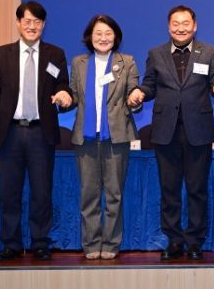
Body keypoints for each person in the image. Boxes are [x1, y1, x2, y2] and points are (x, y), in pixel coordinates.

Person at [127, 5, 214, 260]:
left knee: (197, 189)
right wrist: (139, 93)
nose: (181, 28)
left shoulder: (209, 52)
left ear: (195, 26)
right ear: (168, 26)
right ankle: (173, 239)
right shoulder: (156, 54)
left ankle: (194, 241)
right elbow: (150, 84)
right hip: (166, 130)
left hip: (198, 130)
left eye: (186, 23)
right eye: (176, 24)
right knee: (169, 189)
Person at [0, 1, 72, 261]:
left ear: (43, 25)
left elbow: (63, 85)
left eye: (38, 22)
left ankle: (40, 243)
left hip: (41, 133)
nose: (32, 26)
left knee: (41, 192)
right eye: (28, 21)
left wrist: (64, 95)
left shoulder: (55, 54)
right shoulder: (2, 54)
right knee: (9, 192)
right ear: (19, 23)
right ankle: (11, 243)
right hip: (9, 132)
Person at [68, 15, 139, 260]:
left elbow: (133, 92)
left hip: (116, 136)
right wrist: (65, 98)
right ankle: (90, 244)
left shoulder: (126, 61)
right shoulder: (79, 63)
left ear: (115, 36)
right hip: (86, 137)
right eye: (98, 33)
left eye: (108, 33)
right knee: (88, 194)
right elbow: (74, 96)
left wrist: (136, 98)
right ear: (90, 37)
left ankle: (110, 243)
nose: (103, 38)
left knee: (114, 194)